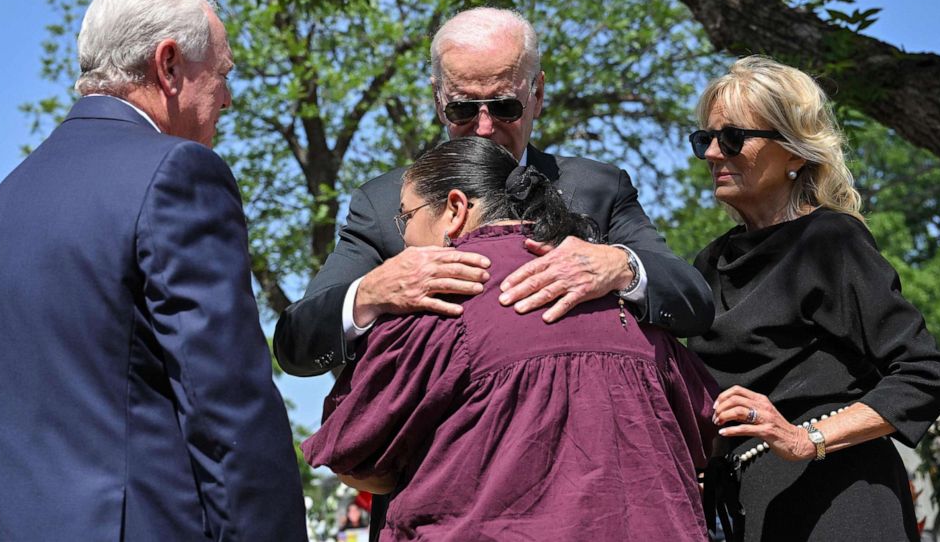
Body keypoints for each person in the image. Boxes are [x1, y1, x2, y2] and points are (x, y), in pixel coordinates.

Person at [0, 0, 307, 540]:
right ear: (169, 64)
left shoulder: (2, 201)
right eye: (224, 73)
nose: (227, 99)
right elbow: (225, 410)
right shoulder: (178, 174)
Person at [303, 136, 719, 541]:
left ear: (454, 209)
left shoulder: (435, 313)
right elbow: (704, 426)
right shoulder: (627, 302)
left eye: (405, 218)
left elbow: (356, 457)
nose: (404, 240)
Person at [273, 7, 714, 377]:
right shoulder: (383, 203)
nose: (483, 128)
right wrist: (370, 291)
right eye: (462, 108)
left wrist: (621, 267)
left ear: (537, 95)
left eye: (505, 107)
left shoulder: (598, 188)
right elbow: (296, 343)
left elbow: (693, 301)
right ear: (436, 100)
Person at [686, 56, 940, 541]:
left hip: (840, 504)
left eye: (731, 138)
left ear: (794, 152)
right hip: (746, 511)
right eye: (702, 139)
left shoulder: (829, 241)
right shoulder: (708, 265)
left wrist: (804, 439)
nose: (711, 153)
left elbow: (924, 374)